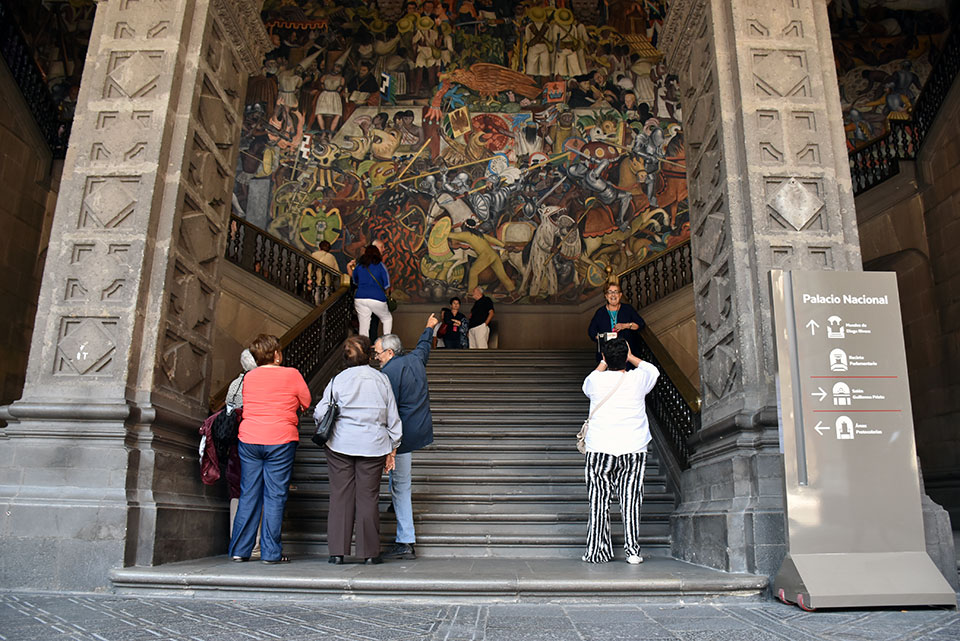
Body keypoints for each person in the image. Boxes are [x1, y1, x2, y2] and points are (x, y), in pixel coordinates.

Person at [315, 335, 402, 565]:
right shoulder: (381, 379)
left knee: (340, 496)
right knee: (368, 498)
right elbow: (392, 416)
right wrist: (393, 446)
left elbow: (320, 412)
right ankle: (369, 554)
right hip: (373, 445)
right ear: (369, 355)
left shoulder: (337, 379)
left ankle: (337, 552)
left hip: (340, 444)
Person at [228, 335, 310, 565]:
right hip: (280, 439)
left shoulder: (249, 377)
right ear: (276, 354)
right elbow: (306, 401)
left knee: (248, 494)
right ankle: (271, 553)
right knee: (275, 496)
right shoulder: (292, 374)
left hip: (250, 439)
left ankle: (240, 550)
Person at [581, 337, 659, 564]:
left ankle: (597, 551)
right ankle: (632, 551)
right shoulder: (639, 379)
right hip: (633, 447)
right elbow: (653, 370)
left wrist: (604, 361)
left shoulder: (595, 380)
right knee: (631, 500)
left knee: (598, 500)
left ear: (604, 357)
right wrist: (631, 356)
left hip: (600, 447)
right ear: (626, 357)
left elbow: (586, 385)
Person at [374, 314, 440, 560]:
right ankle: (395, 504)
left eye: (378, 353)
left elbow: (389, 412)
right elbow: (424, 345)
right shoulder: (415, 359)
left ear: (390, 352)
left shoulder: (388, 373)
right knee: (400, 480)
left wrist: (390, 446)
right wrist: (428, 327)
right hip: (416, 430)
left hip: (399, 436)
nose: (376, 358)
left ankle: (406, 541)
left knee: (402, 486)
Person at [587, 283, 644, 362]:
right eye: (610, 292)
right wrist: (601, 338)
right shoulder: (600, 312)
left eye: (616, 292)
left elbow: (640, 324)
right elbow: (591, 331)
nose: (613, 295)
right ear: (606, 295)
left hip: (627, 355)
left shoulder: (628, 309)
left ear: (620, 295)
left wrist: (625, 325)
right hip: (607, 355)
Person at [351, 244, 393, 339]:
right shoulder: (380, 266)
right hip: (377, 298)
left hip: (360, 297)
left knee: (364, 325)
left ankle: (363, 345)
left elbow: (355, 281)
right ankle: (386, 342)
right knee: (387, 318)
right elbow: (387, 284)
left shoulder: (359, 266)